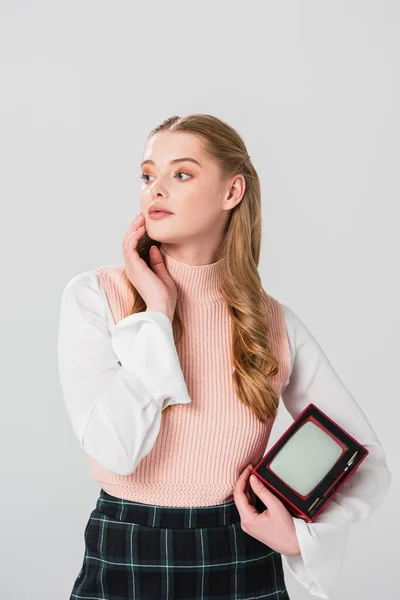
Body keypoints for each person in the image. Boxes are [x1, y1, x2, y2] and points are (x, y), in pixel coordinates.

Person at [57, 113, 391, 600]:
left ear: (232, 193)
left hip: (241, 554)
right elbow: (115, 452)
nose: (156, 190)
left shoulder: (272, 322)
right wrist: (156, 313)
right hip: (128, 546)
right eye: (148, 175)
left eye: (182, 174)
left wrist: (299, 537)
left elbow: (363, 459)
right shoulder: (96, 296)